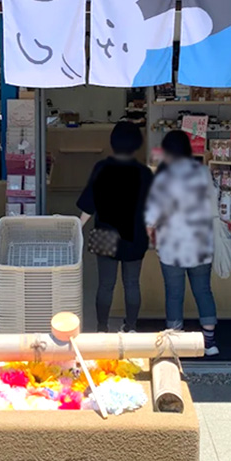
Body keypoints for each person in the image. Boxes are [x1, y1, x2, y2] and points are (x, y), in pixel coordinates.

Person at [145, 130, 220, 356]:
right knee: (203, 291)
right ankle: (209, 343)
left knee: (174, 293)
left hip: (172, 246)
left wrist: (151, 235)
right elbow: (213, 201)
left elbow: (152, 215)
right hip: (200, 244)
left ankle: (176, 344)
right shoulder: (203, 172)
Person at [77, 121, 153, 333]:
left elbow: (89, 204)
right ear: (137, 143)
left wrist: (76, 229)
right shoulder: (144, 172)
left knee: (105, 284)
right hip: (135, 233)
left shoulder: (102, 168)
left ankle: (102, 328)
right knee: (132, 284)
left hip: (105, 233)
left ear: (113, 142)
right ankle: (131, 327)